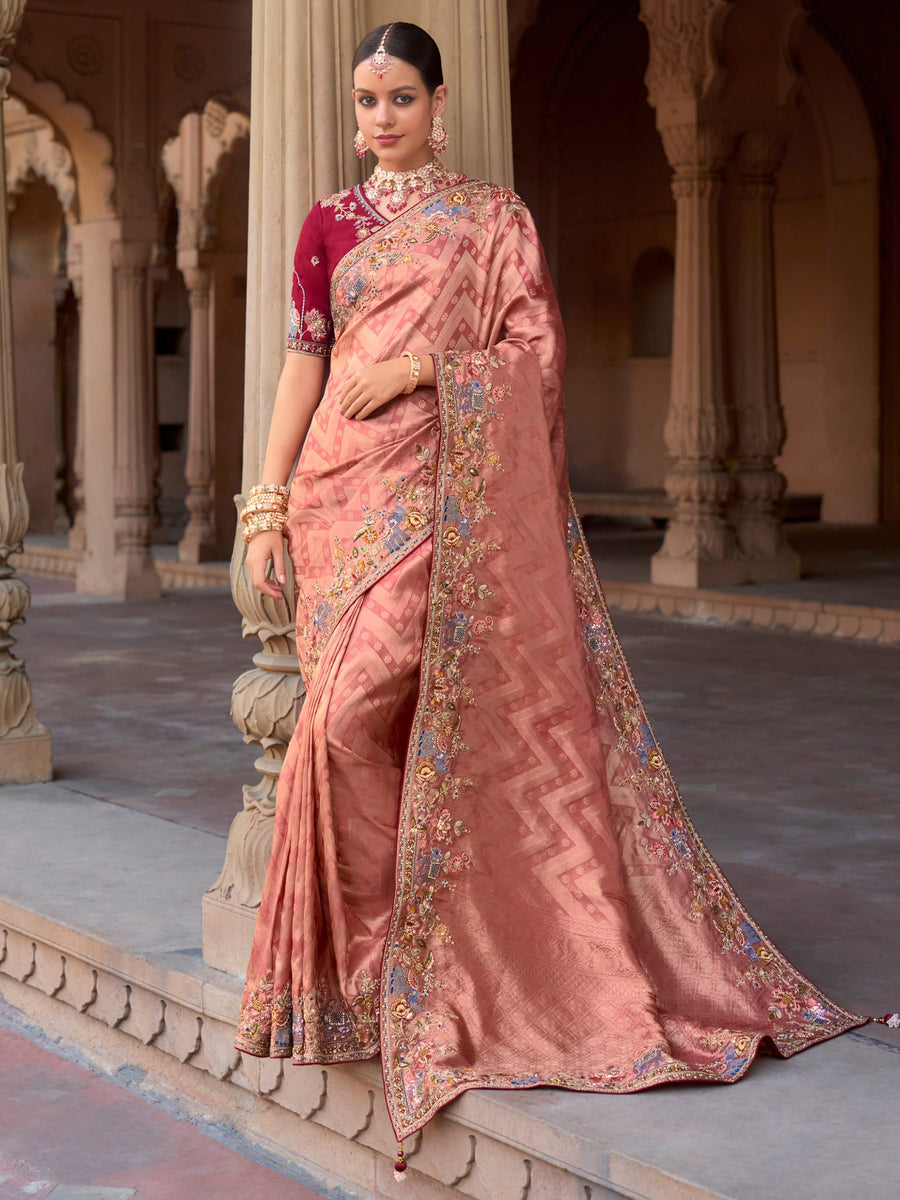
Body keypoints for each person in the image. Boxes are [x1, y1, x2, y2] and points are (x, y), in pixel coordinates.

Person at [234, 20, 895, 1182]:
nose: (378, 119)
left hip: (448, 493)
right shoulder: (328, 224)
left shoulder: (496, 221)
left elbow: (533, 358)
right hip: (340, 495)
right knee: (349, 733)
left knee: (376, 719)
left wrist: (426, 369)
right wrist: (265, 500)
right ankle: (378, 978)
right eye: (363, 101)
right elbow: (304, 360)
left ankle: (450, 971)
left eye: (398, 98)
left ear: (440, 105)